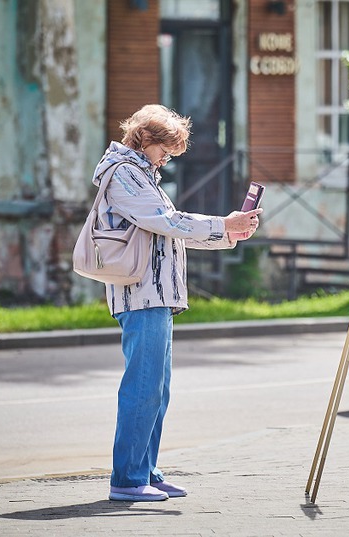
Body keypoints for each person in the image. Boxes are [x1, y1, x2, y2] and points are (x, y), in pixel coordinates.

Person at [91, 104, 261, 502]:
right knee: (143, 387)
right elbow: (165, 222)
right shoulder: (124, 175)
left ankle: (146, 470)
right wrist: (222, 224)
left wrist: (228, 233)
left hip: (158, 295)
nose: (168, 158)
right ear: (145, 139)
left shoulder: (143, 174)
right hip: (141, 294)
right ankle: (128, 480)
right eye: (165, 150)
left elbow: (171, 230)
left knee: (158, 389)